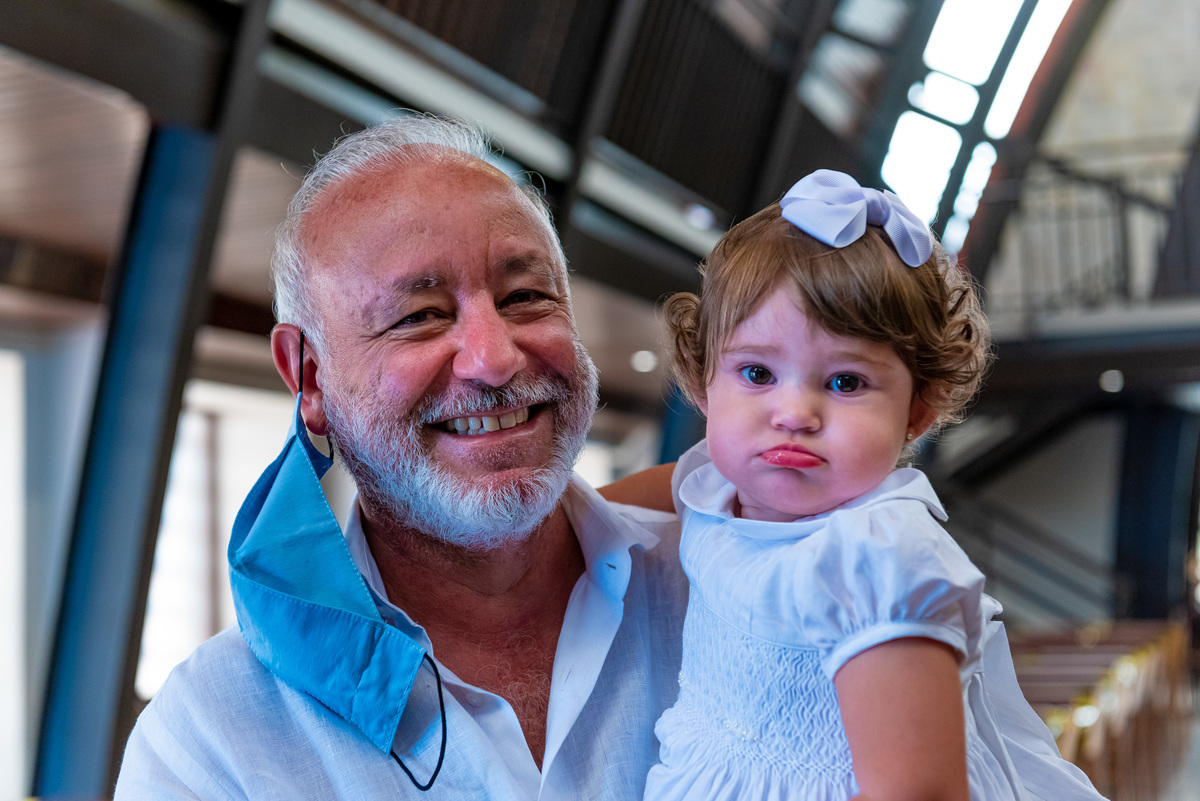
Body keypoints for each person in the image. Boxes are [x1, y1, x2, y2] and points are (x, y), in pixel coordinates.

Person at [113, 114, 688, 799]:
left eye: (525, 297)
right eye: (420, 315)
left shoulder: (726, 589)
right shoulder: (213, 742)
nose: (495, 357)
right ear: (311, 377)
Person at [638, 170, 1106, 800]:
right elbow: (578, 514)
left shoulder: (876, 558)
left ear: (920, 409)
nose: (794, 412)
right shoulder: (715, 485)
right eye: (756, 372)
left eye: (845, 383)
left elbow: (916, 793)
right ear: (702, 380)